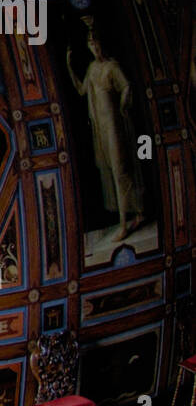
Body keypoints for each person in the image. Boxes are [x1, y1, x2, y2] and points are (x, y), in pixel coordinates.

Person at [65, 15, 145, 242]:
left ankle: (124, 223)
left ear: (102, 43)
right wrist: (69, 67)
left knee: (121, 171)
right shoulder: (91, 68)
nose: (94, 46)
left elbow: (127, 85)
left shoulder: (112, 66)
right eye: (91, 43)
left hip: (113, 126)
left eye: (96, 42)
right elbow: (82, 91)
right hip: (99, 127)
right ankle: (135, 214)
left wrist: (123, 104)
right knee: (110, 170)